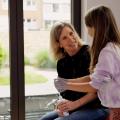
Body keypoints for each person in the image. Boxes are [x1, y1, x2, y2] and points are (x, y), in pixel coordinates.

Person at [54, 6, 120, 120]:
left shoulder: (106, 52)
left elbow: (95, 86)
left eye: (88, 26)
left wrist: (66, 84)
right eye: (64, 37)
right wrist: (66, 83)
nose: (87, 30)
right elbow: (94, 77)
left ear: (96, 27)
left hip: (105, 107)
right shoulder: (111, 47)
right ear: (59, 43)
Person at [40, 22, 109, 120]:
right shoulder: (61, 62)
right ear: (59, 44)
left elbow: (97, 89)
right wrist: (61, 105)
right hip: (75, 107)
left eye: (71, 34)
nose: (71, 39)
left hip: (96, 107)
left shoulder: (90, 53)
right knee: (44, 119)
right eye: (64, 38)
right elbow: (65, 92)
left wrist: (74, 105)